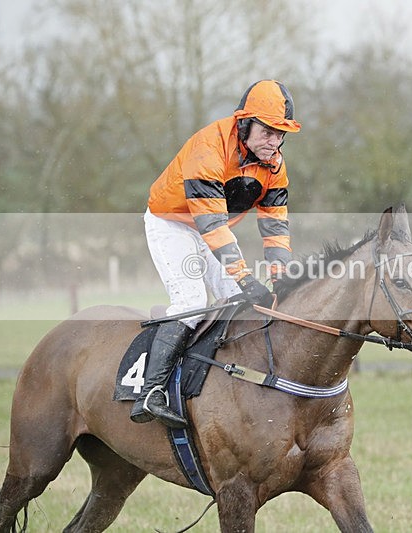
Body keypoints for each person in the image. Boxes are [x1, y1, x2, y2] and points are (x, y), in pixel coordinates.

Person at [131, 80, 301, 428]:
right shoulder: (210, 147)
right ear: (244, 123)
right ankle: (150, 392)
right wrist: (245, 276)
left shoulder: (274, 164)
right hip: (172, 223)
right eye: (268, 131)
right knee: (192, 299)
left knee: (238, 301)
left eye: (281, 134)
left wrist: (280, 279)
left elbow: (275, 226)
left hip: (209, 228)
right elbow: (211, 225)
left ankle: (218, 382)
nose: (275, 142)